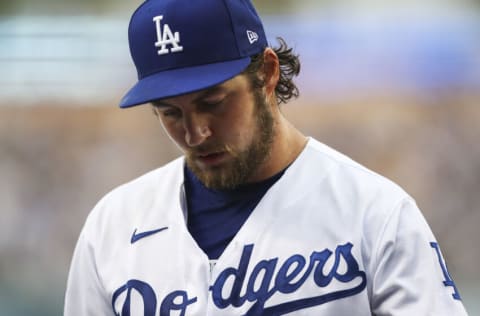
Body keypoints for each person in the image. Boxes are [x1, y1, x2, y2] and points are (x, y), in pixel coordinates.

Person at [64, 0, 469, 315]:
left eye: (213, 102)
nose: (195, 133)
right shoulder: (112, 227)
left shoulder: (375, 214)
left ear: (267, 73)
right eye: (170, 112)